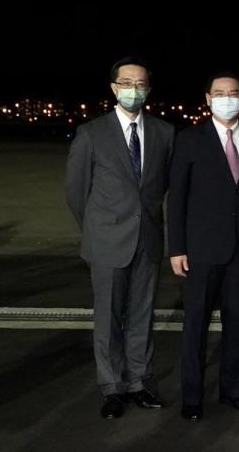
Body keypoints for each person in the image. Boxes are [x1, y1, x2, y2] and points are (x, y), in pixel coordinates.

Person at [66, 57, 175, 419]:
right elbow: (77, 192)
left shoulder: (163, 133)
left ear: (148, 89)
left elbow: (164, 190)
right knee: (109, 319)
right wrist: (98, 231)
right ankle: (112, 387)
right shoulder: (91, 133)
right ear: (113, 88)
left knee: (142, 315)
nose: (134, 89)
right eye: (126, 83)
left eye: (140, 83)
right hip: (107, 241)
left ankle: (140, 382)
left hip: (147, 240)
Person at [168, 72, 239, 421]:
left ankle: (235, 390)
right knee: (195, 326)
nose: (228, 98)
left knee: (235, 324)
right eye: (220, 93)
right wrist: (177, 247)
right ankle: (193, 397)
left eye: (234, 93)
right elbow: (177, 198)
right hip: (201, 250)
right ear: (208, 99)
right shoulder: (190, 139)